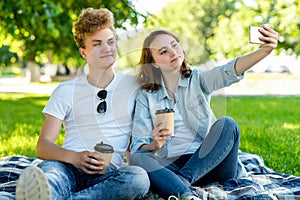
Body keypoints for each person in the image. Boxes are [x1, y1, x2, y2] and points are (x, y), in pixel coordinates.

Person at [15, 7, 150, 200]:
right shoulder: (66, 90)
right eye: (97, 44)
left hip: (106, 174)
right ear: (83, 52)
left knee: (138, 179)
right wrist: (75, 158)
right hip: (65, 166)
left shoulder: (133, 86)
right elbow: (43, 146)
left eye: (111, 42)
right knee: (49, 176)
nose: (107, 49)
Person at [130, 26, 278, 199]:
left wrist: (265, 51)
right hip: (171, 165)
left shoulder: (197, 80)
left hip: (211, 163)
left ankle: (180, 184)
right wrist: (155, 144)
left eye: (174, 45)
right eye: (163, 51)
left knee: (228, 123)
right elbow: (139, 144)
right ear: (153, 62)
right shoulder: (145, 96)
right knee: (138, 157)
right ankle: (186, 194)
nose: (173, 52)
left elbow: (229, 71)